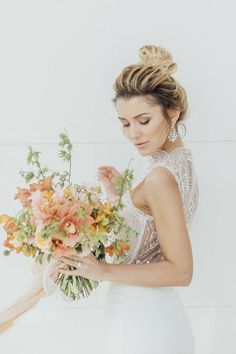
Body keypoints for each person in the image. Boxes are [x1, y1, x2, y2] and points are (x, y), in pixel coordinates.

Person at [0, 44, 199, 354]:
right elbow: (154, 235)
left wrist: (100, 270)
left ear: (171, 113)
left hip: (145, 320)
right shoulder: (178, 162)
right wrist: (125, 196)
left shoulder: (160, 177)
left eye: (143, 121)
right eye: (125, 124)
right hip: (150, 313)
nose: (133, 134)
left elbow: (180, 270)